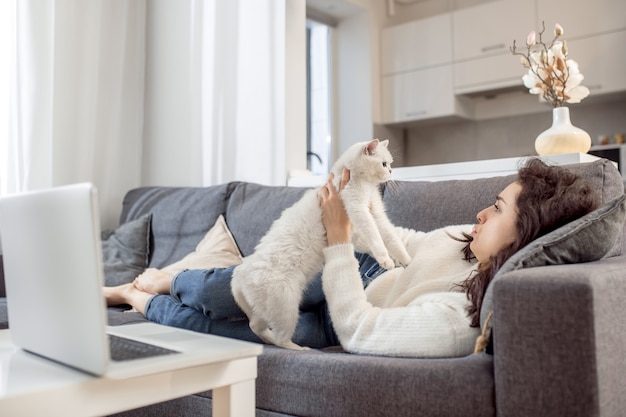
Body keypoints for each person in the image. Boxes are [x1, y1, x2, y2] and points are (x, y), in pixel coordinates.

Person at [104, 158, 599, 358]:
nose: (480, 214)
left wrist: (339, 240)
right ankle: (166, 283)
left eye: (495, 209)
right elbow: (401, 240)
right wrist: (349, 218)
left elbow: (359, 331)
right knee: (228, 290)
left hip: (341, 316)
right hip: (353, 272)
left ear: (525, 234)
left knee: (225, 333)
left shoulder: (459, 318)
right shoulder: (463, 238)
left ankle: (139, 299)